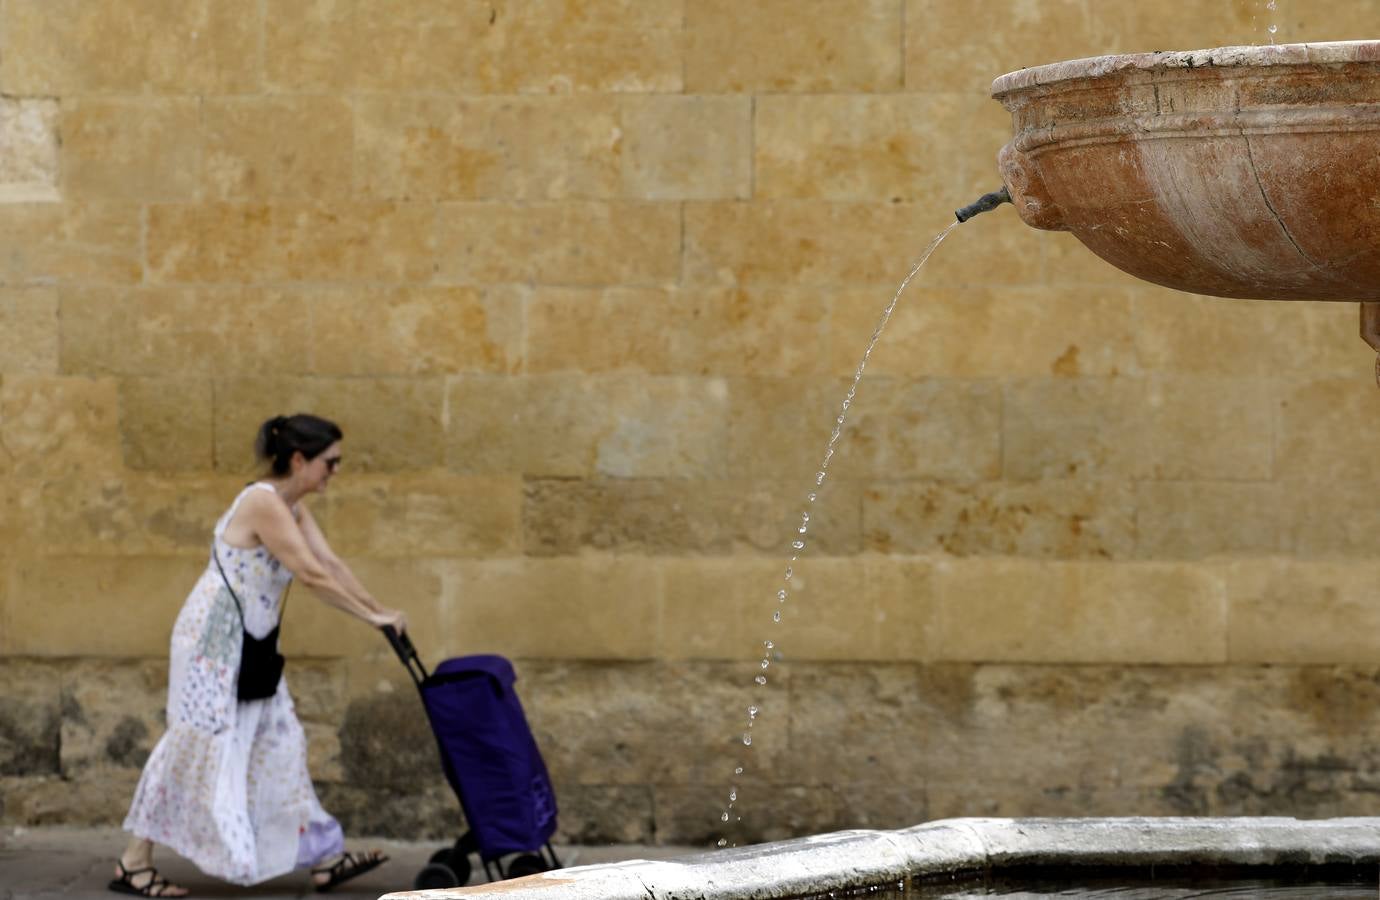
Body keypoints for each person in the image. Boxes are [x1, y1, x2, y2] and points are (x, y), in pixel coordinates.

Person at [110, 414, 408, 896]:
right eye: (330, 463)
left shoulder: (291, 507)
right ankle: (133, 862)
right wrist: (370, 619)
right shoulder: (263, 502)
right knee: (194, 744)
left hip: (251, 643)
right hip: (214, 644)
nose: (335, 472)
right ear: (298, 460)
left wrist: (381, 610)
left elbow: (329, 563)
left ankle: (326, 856)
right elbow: (309, 574)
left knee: (279, 738)